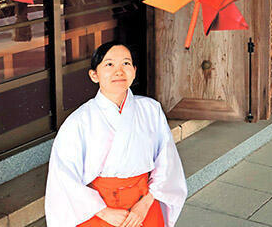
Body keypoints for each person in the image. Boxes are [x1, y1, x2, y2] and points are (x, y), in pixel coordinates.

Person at [45, 42, 187, 227]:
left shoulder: (151, 109)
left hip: (143, 205)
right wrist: (104, 212)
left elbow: (167, 161)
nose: (119, 71)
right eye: (109, 64)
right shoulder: (78, 121)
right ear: (94, 75)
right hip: (98, 210)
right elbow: (63, 176)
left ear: (134, 71)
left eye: (126, 64)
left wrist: (144, 204)